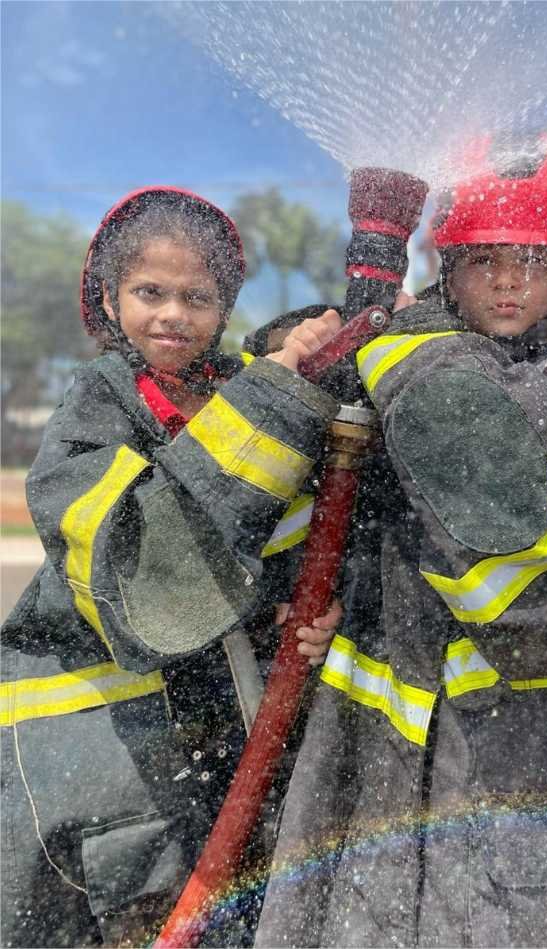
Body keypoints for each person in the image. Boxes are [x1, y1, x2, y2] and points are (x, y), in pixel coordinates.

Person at [251, 138, 547, 948]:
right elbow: (316, 519)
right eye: (481, 261)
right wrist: (322, 603)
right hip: (382, 772)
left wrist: (407, 353)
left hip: (528, 758)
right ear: (446, 269)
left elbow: (517, 546)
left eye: (532, 260)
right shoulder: (396, 373)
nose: (507, 281)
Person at [0, 186, 344, 948]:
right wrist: (273, 394)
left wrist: (307, 607)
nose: (172, 315)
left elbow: (279, 531)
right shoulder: (96, 408)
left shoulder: (237, 388)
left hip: (211, 747)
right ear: (109, 298)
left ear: (225, 309)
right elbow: (145, 580)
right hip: (106, 766)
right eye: (149, 292)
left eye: (197, 297)